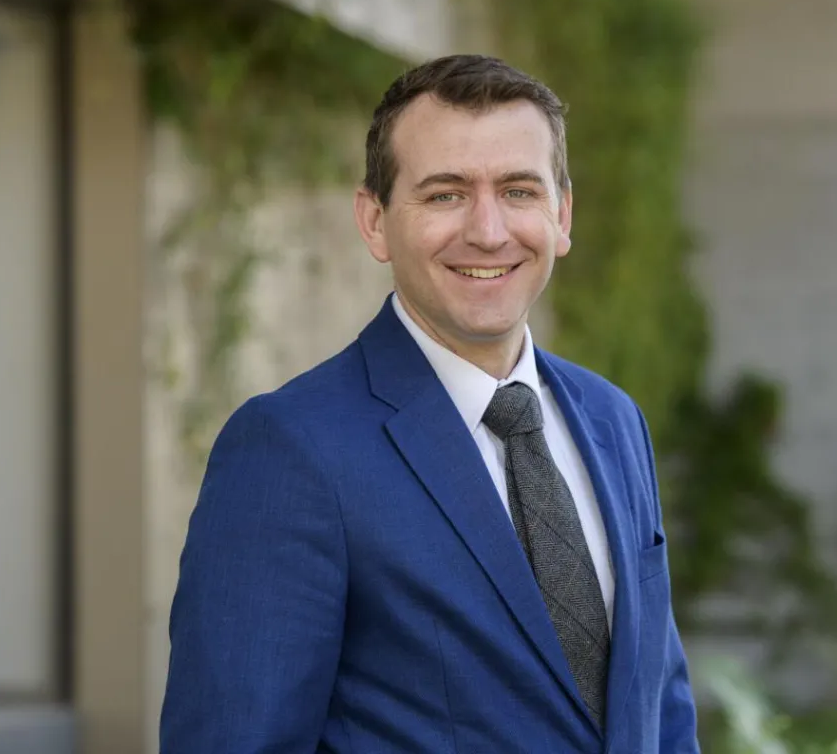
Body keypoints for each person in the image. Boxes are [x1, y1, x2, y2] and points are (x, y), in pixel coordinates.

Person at [159, 54, 699, 753]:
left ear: (562, 216)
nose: (488, 230)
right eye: (445, 194)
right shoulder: (290, 450)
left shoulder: (613, 420)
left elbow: (662, 708)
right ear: (376, 220)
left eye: (518, 190)